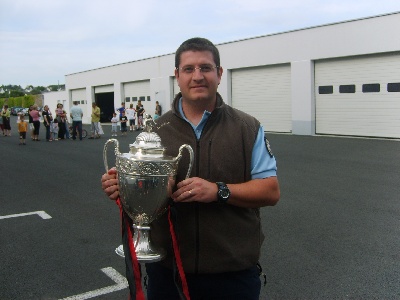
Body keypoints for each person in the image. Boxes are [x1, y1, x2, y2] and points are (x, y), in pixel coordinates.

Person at [101, 37, 280, 300]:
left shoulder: (247, 128)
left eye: (206, 68)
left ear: (219, 74)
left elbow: (270, 191)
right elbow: (141, 192)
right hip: (168, 274)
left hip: (232, 276)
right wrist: (122, 187)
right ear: (177, 75)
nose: (198, 76)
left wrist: (218, 191)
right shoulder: (155, 131)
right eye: (189, 69)